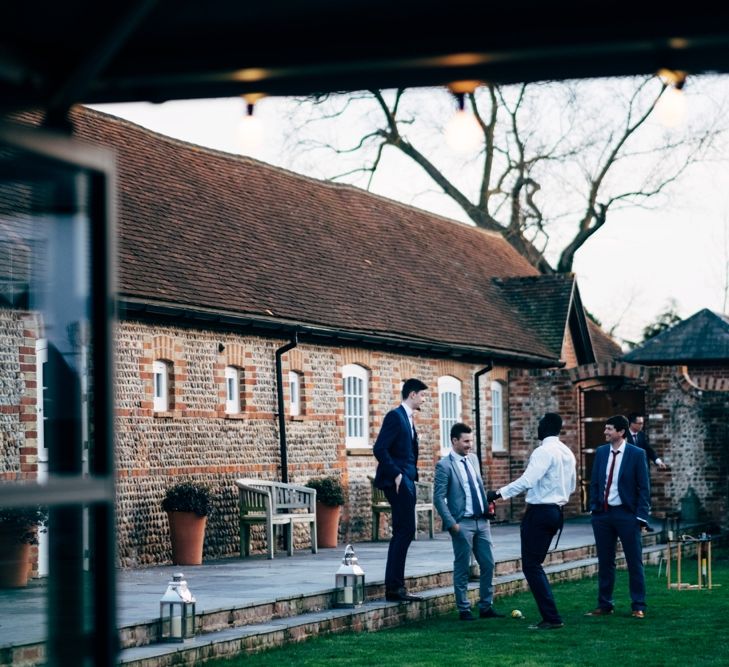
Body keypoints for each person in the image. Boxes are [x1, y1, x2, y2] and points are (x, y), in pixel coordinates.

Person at [487, 412, 576, 630]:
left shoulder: (543, 451)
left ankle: (552, 618)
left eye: (539, 424)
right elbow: (572, 486)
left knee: (531, 566)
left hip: (540, 512)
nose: (536, 428)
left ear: (545, 427)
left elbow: (528, 480)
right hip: (556, 512)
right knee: (534, 565)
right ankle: (551, 616)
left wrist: (497, 493)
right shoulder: (567, 452)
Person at [433, 422, 504, 621]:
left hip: (482, 522)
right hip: (461, 524)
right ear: (454, 441)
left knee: (488, 564)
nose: (469, 445)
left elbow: (478, 487)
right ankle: (464, 609)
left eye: (471, 441)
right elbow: (438, 498)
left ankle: (486, 606)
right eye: (465, 441)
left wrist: (487, 506)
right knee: (462, 566)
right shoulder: (444, 465)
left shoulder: (473, 459)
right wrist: (451, 523)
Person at [586, 414, 650, 619]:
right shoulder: (602, 452)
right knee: (605, 561)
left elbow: (644, 488)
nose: (605, 432)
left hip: (627, 515)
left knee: (634, 561)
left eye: (609, 429)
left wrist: (640, 517)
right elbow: (595, 481)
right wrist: (594, 508)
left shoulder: (637, 454)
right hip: (602, 515)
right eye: (605, 428)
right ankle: (605, 604)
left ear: (621, 432)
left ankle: (638, 605)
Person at [373, 378, 428, 602]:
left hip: (407, 479)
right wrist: (396, 474)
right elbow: (379, 448)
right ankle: (395, 587)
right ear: (412, 394)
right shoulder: (395, 416)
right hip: (398, 481)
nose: (424, 399)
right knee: (404, 531)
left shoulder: (409, 419)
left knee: (405, 532)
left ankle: (396, 586)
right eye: (423, 395)